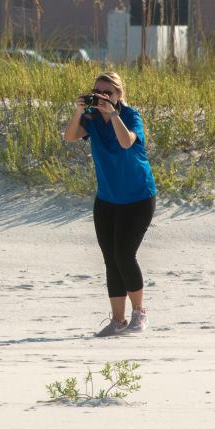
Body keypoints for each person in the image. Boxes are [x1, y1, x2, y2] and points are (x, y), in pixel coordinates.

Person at [63, 71, 157, 337]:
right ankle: (118, 320)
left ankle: (140, 312)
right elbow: (69, 136)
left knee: (124, 254)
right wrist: (79, 111)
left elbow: (126, 142)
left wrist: (113, 113)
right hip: (107, 199)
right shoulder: (91, 119)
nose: (102, 96)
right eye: (98, 91)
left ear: (119, 94)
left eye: (108, 92)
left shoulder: (130, 116)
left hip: (138, 196)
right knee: (110, 259)